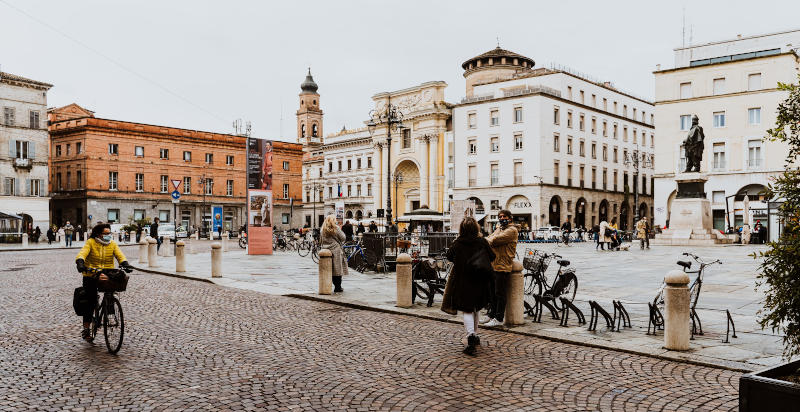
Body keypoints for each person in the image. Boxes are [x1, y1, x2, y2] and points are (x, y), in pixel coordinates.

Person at [441, 216, 495, 356]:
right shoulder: (482, 241)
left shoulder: (458, 243)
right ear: (476, 228)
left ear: (462, 229)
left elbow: (449, 256)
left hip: (463, 280)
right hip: (480, 279)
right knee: (476, 308)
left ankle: (471, 335)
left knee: (467, 310)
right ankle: (474, 335)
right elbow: (492, 256)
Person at [75, 223, 131, 341]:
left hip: (107, 274)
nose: (108, 236)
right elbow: (82, 254)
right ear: (98, 234)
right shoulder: (91, 242)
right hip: (91, 274)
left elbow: (120, 255)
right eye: (105, 234)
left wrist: (125, 263)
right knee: (90, 301)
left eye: (109, 233)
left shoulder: (112, 244)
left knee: (111, 292)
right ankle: (86, 328)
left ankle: (110, 311)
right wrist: (80, 263)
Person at [482, 209, 518, 327]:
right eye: (500, 216)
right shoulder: (500, 229)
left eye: (504, 216)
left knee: (500, 293)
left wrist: (487, 239)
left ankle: (499, 318)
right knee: (492, 292)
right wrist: (489, 238)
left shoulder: (512, 230)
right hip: (494, 264)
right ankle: (492, 315)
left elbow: (494, 240)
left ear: (510, 217)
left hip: (503, 265)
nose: (502, 218)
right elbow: (489, 238)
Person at [320, 215, 347, 293]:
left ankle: (328, 285)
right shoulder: (336, 228)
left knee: (328, 269)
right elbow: (343, 238)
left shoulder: (322, 229)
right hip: (335, 250)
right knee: (337, 269)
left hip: (325, 249)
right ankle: (338, 287)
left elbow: (321, 240)